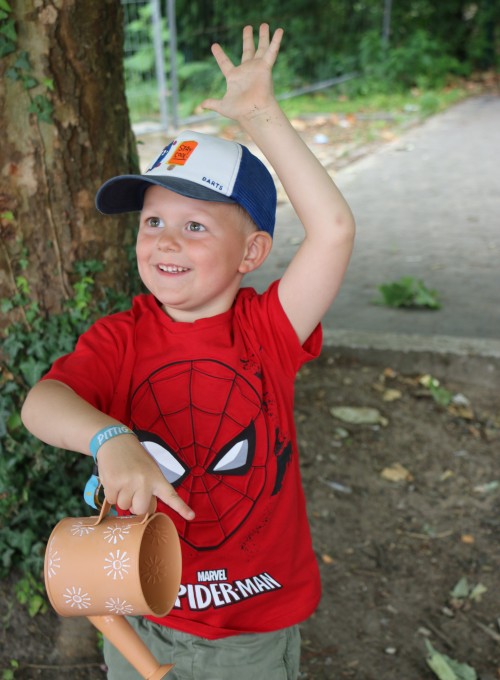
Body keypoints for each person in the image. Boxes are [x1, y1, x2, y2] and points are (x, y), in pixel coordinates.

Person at [22, 23, 355, 680]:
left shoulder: (269, 330)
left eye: (195, 226)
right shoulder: (121, 338)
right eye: (153, 222)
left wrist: (261, 115)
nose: (165, 242)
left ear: (252, 254)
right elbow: (41, 404)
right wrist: (109, 439)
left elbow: (335, 230)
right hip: (136, 608)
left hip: (248, 631)